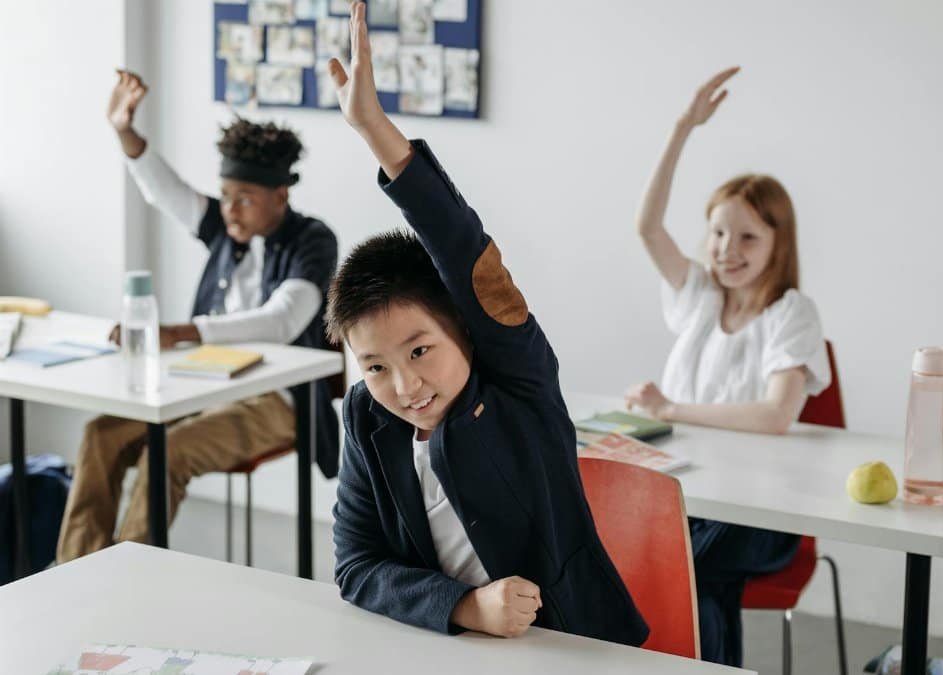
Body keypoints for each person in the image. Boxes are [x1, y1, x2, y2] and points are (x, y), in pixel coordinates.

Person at [322, 3, 648, 645]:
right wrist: (464, 606)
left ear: (465, 330)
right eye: (376, 366)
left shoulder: (517, 382)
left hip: (575, 645)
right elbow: (356, 568)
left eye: (419, 351)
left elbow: (463, 249)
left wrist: (374, 131)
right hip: (444, 649)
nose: (404, 385)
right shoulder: (366, 416)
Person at [56, 71, 339, 562]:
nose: (230, 209)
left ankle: (123, 576)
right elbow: (164, 189)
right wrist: (125, 130)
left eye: (245, 198)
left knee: (169, 452)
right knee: (101, 435)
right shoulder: (224, 226)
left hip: (278, 401)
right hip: (205, 383)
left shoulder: (312, 240)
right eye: (226, 195)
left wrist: (182, 332)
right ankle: (73, 567)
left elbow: (282, 321)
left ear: (280, 196)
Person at [623, 67, 832, 666]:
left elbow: (775, 416)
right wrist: (682, 128)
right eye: (718, 233)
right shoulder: (698, 295)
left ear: (777, 246)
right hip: (691, 495)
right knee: (675, 559)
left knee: (674, 561)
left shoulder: (791, 313)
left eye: (747, 238)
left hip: (762, 517)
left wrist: (668, 409)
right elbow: (646, 225)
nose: (726, 250)